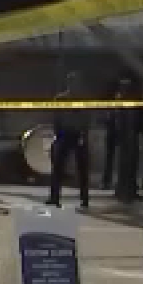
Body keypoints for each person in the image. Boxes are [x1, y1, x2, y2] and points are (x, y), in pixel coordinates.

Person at [47, 73, 91, 209]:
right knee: (58, 167)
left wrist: (84, 134)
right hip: (64, 134)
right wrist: (57, 134)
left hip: (78, 134)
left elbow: (87, 118)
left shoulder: (85, 99)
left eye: (76, 82)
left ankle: (84, 199)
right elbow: (56, 117)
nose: (74, 85)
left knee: (82, 168)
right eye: (71, 82)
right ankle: (54, 197)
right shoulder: (61, 99)